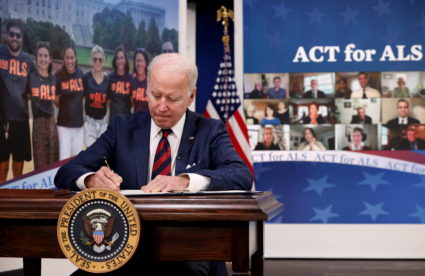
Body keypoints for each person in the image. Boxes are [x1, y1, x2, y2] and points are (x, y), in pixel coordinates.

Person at [55, 53, 251, 275]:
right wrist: (91, 179)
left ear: (190, 97)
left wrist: (184, 181)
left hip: (191, 247)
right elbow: (67, 172)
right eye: (156, 95)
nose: (162, 106)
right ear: (146, 90)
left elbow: (240, 174)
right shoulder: (122, 128)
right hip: (125, 246)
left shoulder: (210, 130)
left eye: (173, 98)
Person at [0, 19, 35, 181]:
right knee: (2, 167)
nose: (15, 38)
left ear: (22, 38)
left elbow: (34, 86)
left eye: (18, 35)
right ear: (7, 36)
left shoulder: (28, 61)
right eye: (12, 34)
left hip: (21, 120)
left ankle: (13, 203)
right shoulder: (0, 53)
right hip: (2, 119)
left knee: (18, 169)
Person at [29, 42, 59, 169]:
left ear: (50, 59)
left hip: (51, 122)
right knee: (40, 165)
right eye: (40, 55)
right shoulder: (31, 78)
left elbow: (58, 101)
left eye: (46, 56)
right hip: (38, 123)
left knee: (53, 162)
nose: (43, 59)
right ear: (36, 58)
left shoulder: (54, 79)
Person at [55, 45, 85, 160]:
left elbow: (83, 97)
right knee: (64, 160)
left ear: (75, 58)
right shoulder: (58, 75)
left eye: (72, 57)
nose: (69, 60)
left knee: (77, 160)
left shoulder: (80, 74)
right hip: (64, 126)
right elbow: (56, 100)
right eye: (67, 57)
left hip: (79, 126)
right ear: (63, 58)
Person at [83, 45, 110, 147]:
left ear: (103, 61)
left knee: (101, 156)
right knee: (91, 155)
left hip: (103, 124)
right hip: (90, 123)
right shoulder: (86, 78)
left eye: (100, 59)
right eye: (95, 59)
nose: (97, 62)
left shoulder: (108, 80)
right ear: (92, 60)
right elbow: (82, 98)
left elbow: (108, 102)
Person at [108, 45, 132, 123]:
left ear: (125, 60)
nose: (119, 61)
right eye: (117, 58)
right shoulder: (110, 77)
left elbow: (132, 102)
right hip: (113, 121)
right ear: (115, 60)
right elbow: (108, 101)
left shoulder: (130, 78)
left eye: (121, 58)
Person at [131, 48, 149, 112]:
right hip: (135, 119)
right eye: (137, 61)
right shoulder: (131, 80)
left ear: (146, 63)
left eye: (141, 61)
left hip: (147, 120)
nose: (139, 64)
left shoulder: (151, 82)